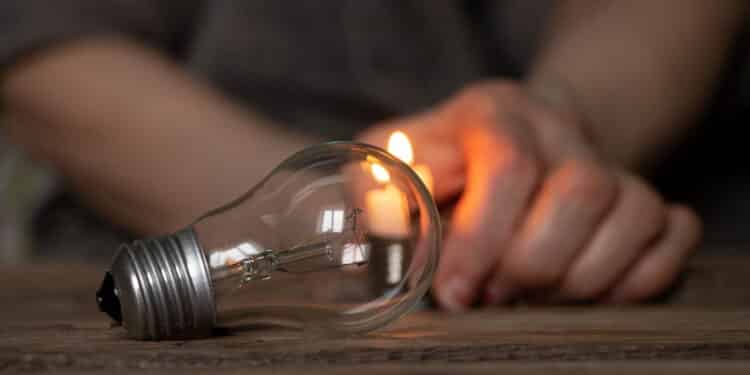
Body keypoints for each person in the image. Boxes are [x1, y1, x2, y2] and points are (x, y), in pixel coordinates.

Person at [0, 1, 746, 311]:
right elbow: (39, 36)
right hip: (159, 223)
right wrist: (319, 224)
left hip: (623, 250)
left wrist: (553, 129)